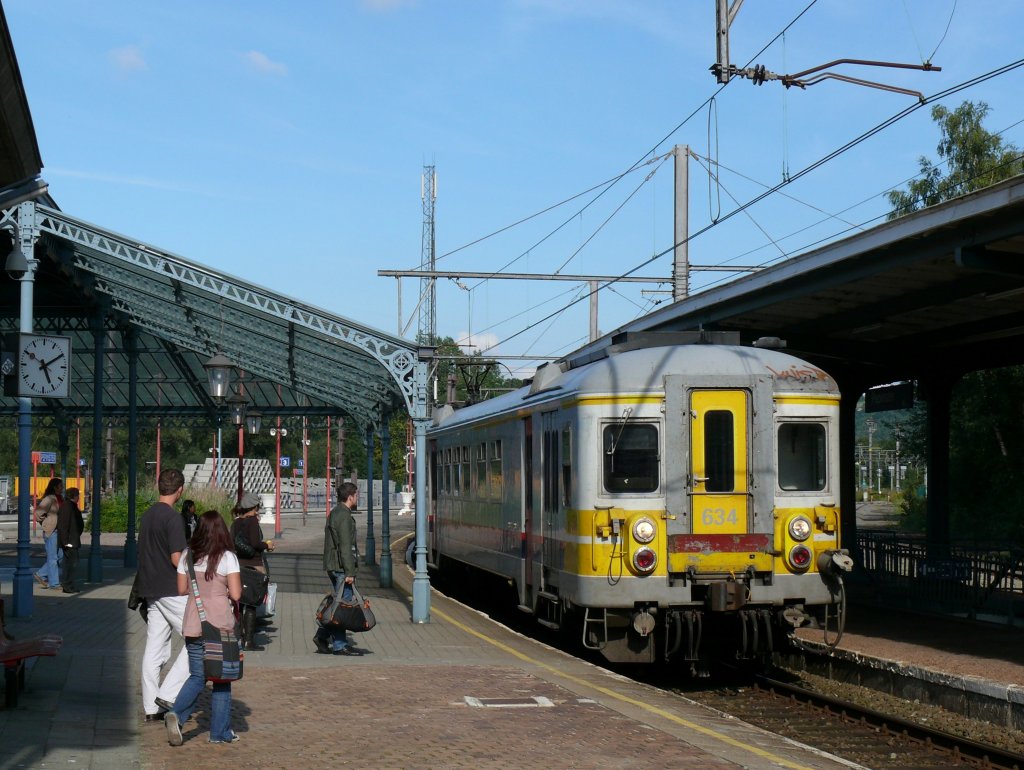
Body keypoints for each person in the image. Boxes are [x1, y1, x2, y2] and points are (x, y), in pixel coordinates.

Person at [165, 510, 242, 746]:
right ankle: (219, 732)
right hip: (220, 626)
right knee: (221, 678)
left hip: (194, 622)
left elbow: (181, 590)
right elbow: (237, 594)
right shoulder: (227, 557)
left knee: (198, 676)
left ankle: (177, 714)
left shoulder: (188, 555)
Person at [137, 468, 190, 723]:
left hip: (149, 589)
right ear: (179, 490)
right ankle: (168, 693)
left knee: (154, 648)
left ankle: (150, 707)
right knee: (199, 637)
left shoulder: (147, 515)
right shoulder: (173, 518)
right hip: (172, 589)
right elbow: (176, 558)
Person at [313, 481, 362, 657]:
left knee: (337, 605)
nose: (357, 498)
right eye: (356, 495)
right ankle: (340, 645)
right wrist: (350, 572)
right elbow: (345, 546)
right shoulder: (344, 516)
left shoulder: (336, 512)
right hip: (341, 567)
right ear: (350, 497)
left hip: (334, 564)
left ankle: (322, 637)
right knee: (342, 608)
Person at [229, 491, 274, 651]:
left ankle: (238, 637)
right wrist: (267, 545)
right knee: (252, 603)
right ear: (255, 506)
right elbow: (255, 543)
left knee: (239, 603)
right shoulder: (253, 521)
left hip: (237, 566)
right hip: (254, 564)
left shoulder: (235, 523)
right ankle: (249, 640)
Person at [33, 478, 64, 589]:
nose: (62, 488)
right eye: (60, 486)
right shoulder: (49, 498)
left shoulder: (60, 498)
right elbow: (37, 513)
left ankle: (41, 574)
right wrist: (45, 524)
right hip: (52, 531)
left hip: (60, 531)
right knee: (53, 558)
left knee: (60, 556)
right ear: (55, 487)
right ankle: (54, 584)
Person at [56, 487, 84, 593]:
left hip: (72, 540)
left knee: (71, 563)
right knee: (72, 563)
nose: (79, 497)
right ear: (74, 496)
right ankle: (68, 585)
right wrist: (66, 542)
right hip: (70, 541)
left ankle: (68, 585)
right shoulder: (68, 507)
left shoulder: (69, 506)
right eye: (78, 495)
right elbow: (63, 525)